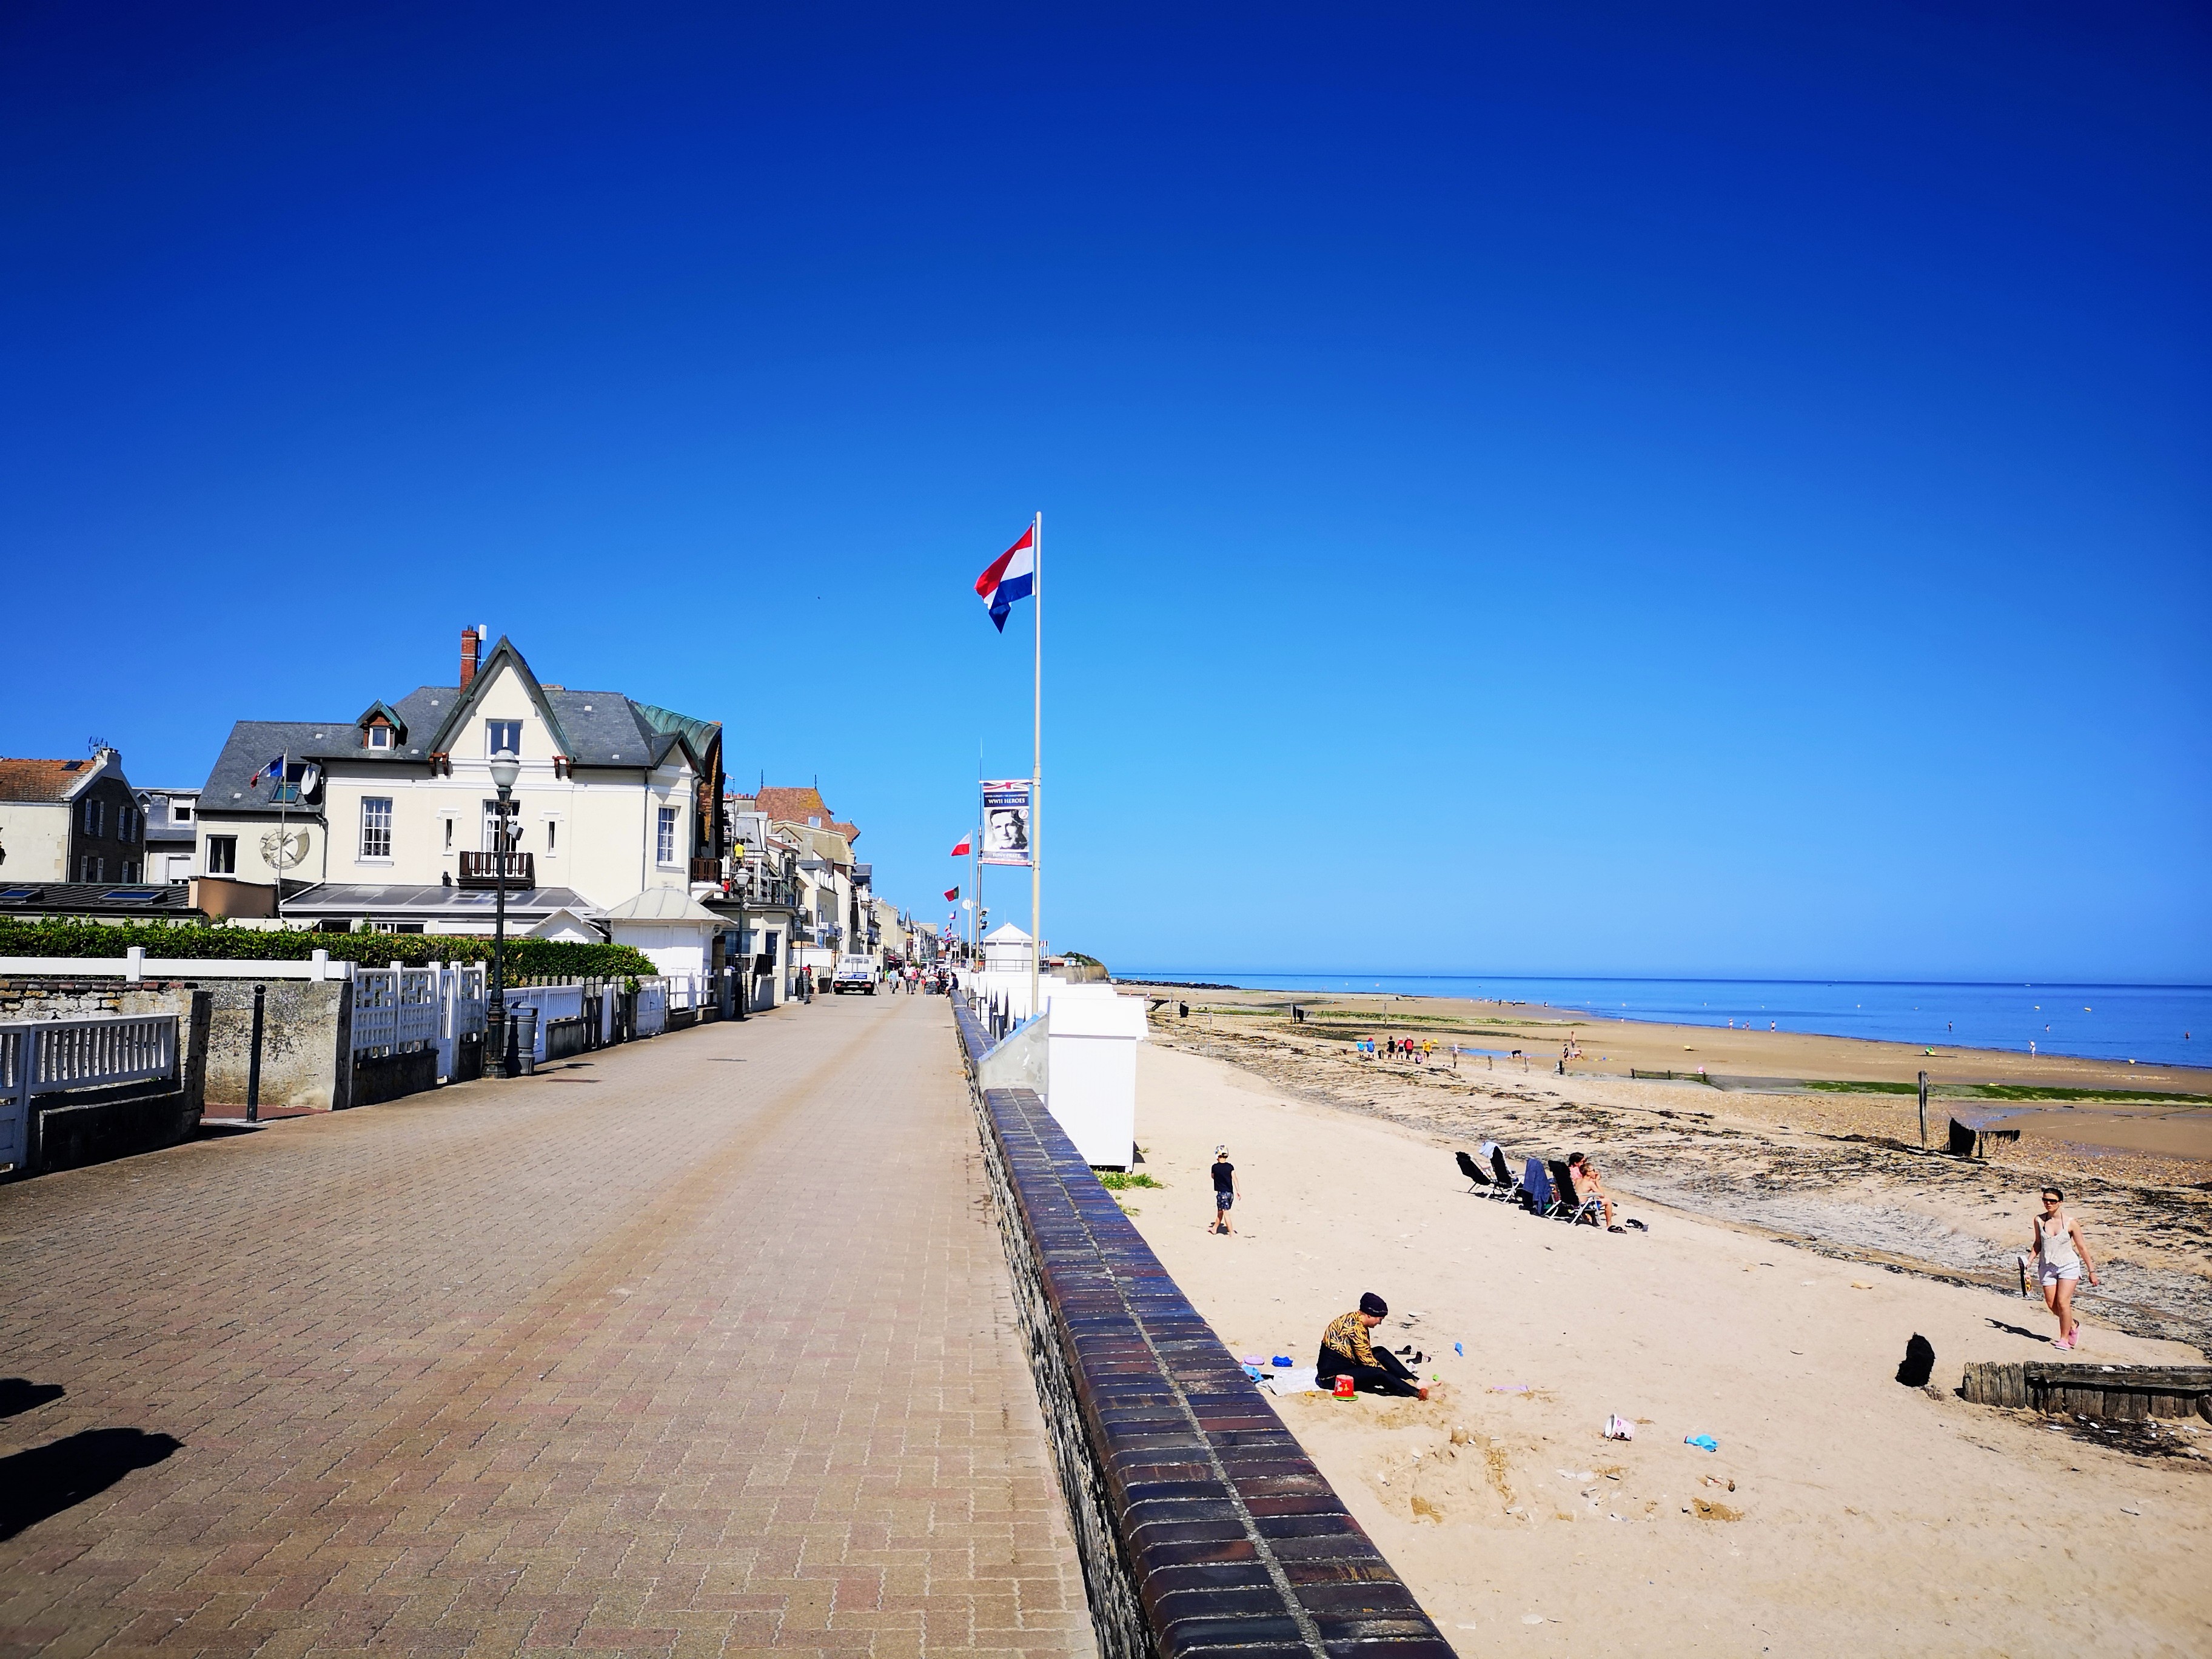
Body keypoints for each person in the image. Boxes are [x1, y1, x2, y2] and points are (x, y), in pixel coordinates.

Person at [1317, 1293, 1426, 1398]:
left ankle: (1415, 1380)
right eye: (1380, 1319)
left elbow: (1365, 1354)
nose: (1380, 1323)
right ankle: (1417, 1393)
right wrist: (1393, 1378)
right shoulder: (1356, 1329)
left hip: (1346, 1365)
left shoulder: (1355, 1317)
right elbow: (1369, 1363)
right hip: (1333, 1378)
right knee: (1379, 1374)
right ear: (1369, 1315)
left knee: (1381, 1352)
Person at [2031, 1185, 2099, 1350]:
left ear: (2060, 1202)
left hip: (2068, 1266)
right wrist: (2029, 1261)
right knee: (2051, 1305)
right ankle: (2073, 1325)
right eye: (2045, 1200)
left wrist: (2091, 1271)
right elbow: (2038, 1244)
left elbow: (2082, 1247)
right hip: (2047, 1267)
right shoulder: (2039, 1220)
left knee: (2063, 1302)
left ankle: (2064, 1339)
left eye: (2052, 1201)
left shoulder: (2071, 1223)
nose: (2048, 1203)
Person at [1566, 1151, 1620, 1230]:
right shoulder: (1590, 1184)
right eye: (1593, 1170)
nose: (1595, 1172)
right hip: (1583, 1205)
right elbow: (1602, 1195)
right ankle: (1609, 1224)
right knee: (1608, 1201)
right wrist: (1597, 1181)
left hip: (1575, 1203)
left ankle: (1593, 1219)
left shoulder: (1578, 1180)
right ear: (1588, 1173)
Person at [1209, 1145, 1239, 1235]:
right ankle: (1214, 1228)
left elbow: (1213, 1176)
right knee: (1220, 1211)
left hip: (1222, 1194)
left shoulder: (1215, 1167)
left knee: (1225, 1212)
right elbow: (1235, 1178)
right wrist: (1238, 1191)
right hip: (1230, 1193)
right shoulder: (1230, 1167)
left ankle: (1231, 1233)